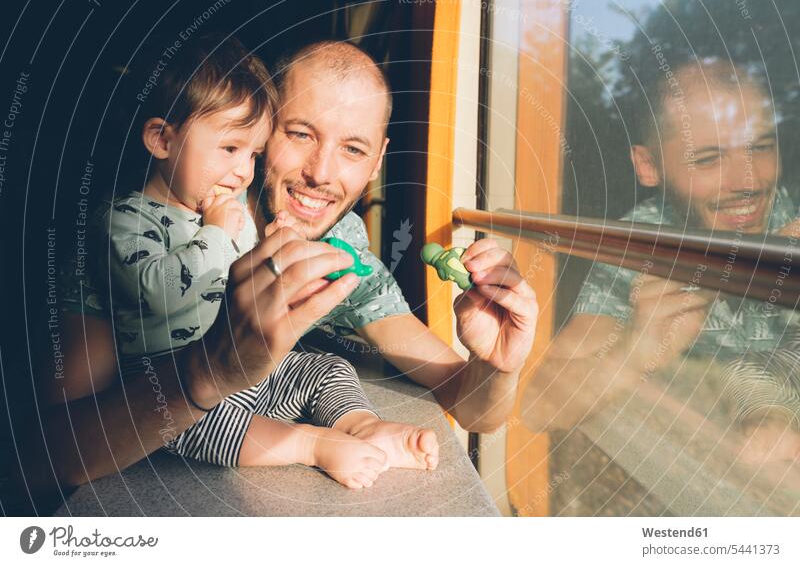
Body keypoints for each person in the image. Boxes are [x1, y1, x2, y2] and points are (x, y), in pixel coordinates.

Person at [27, 39, 537, 504]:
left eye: (353, 149)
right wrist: (206, 372)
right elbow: (50, 458)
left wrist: (497, 363)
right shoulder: (136, 232)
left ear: (377, 161)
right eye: (300, 134)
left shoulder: (339, 252)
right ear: (263, 129)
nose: (321, 172)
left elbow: (475, 409)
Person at [95, 34, 438, 490]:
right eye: (299, 134)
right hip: (176, 380)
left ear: (377, 160)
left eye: (252, 155)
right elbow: (158, 289)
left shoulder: (272, 224)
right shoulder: (126, 219)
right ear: (161, 139)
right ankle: (311, 443)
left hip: (253, 375)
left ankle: (359, 425)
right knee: (199, 423)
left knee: (326, 368)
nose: (241, 172)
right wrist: (220, 233)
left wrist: (267, 248)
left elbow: (444, 370)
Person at [522, 55, 800, 463]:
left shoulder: (790, 214)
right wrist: (639, 348)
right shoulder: (642, 247)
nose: (750, 182)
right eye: (708, 159)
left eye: (760, 147)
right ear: (648, 166)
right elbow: (539, 406)